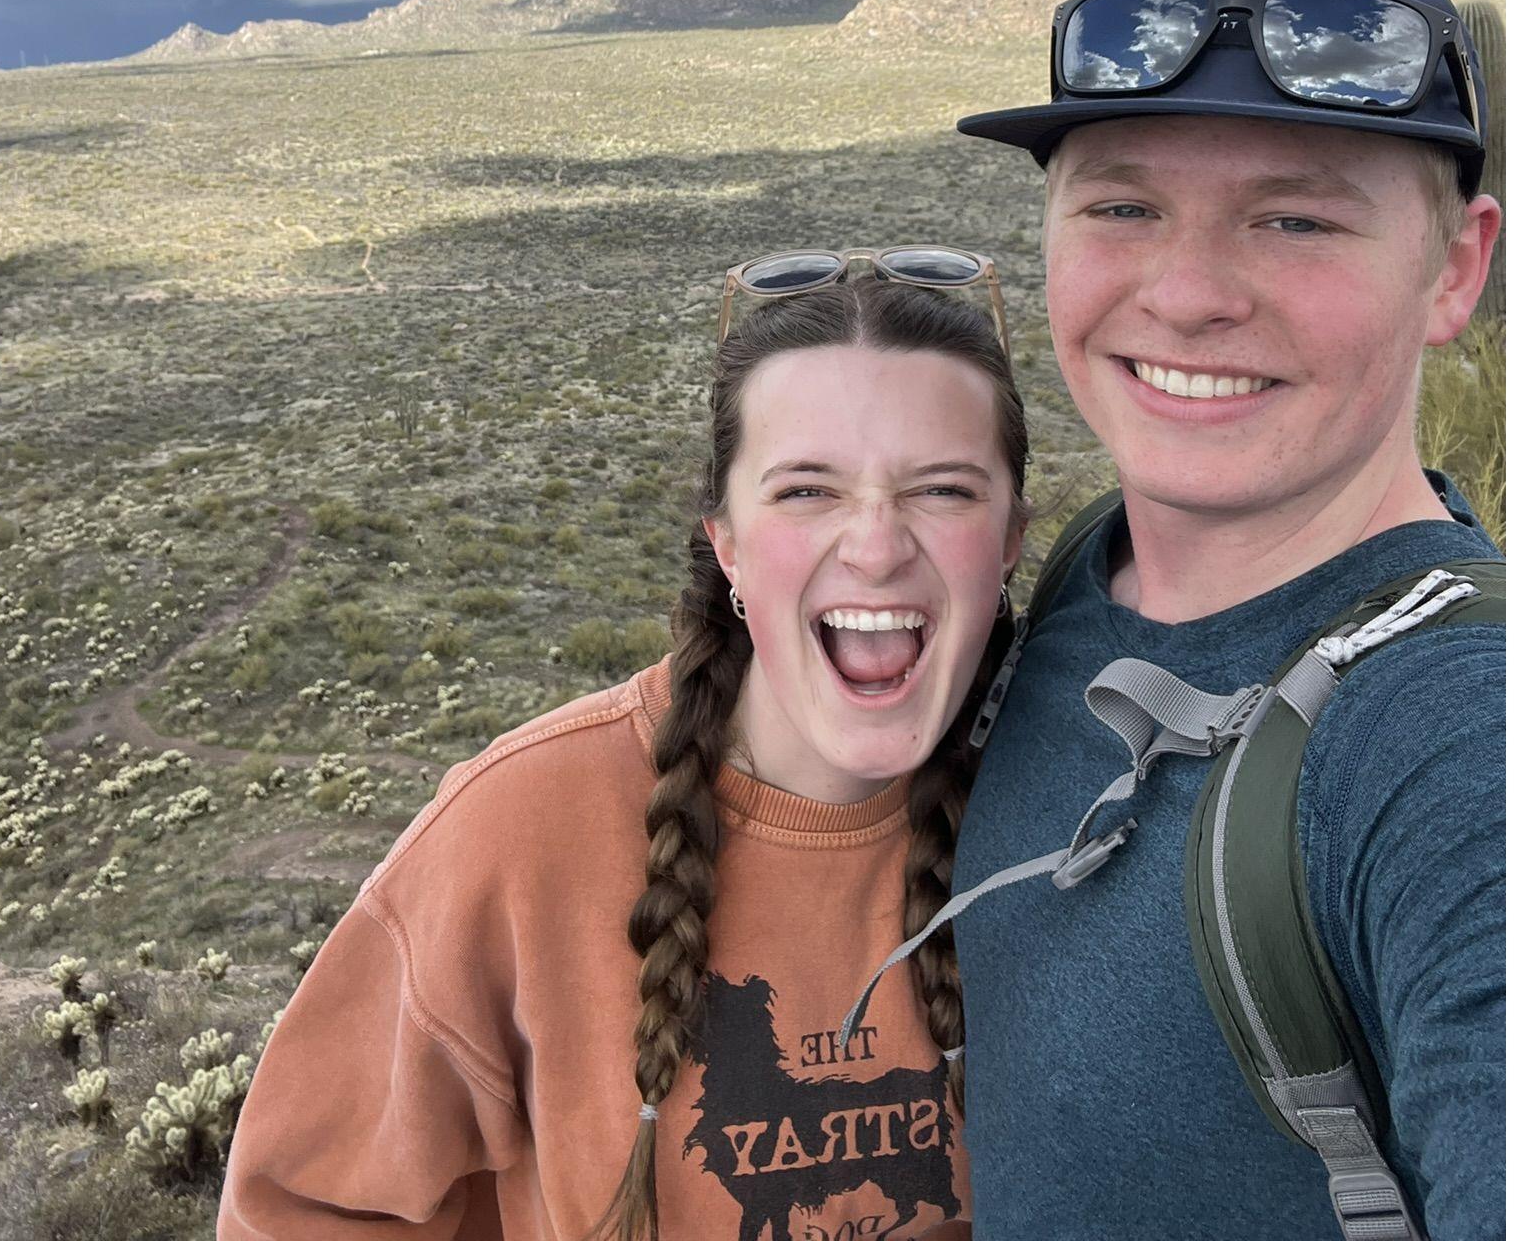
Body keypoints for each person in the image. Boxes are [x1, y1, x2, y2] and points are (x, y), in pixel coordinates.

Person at [219, 265, 1029, 1240]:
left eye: (940, 487)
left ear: (1012, 537)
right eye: (805, 488)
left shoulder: (1075, 812)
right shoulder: (520, 830)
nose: (873, 543)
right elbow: (297, 1207)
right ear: (724, 543)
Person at [943, 0, 1504, 1240]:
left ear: (1455, 271)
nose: (1186, 295)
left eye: (1296, 218)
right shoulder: (1088, 566)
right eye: (1121, 207)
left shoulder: (1465, 738)